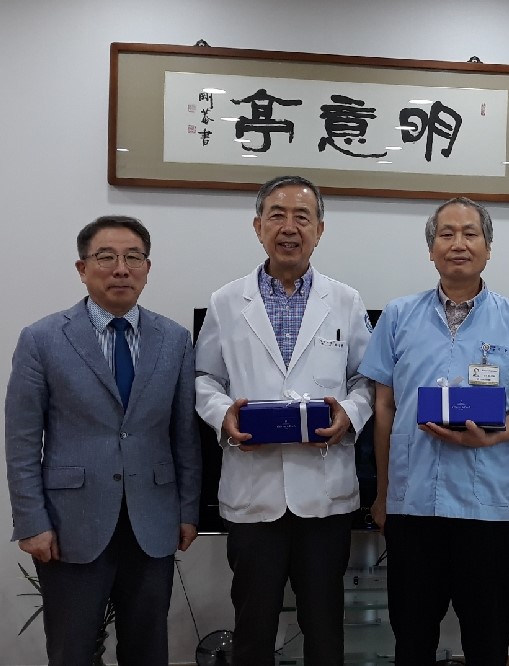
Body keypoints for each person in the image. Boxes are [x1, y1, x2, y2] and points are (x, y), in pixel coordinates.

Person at [358, 197, 509, 666]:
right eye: (446, 234)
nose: (458, 243)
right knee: (412, 639)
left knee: (488, 640)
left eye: (471, 233)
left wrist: (492, 436)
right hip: (413, 505)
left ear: (488, 247)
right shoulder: (398, 315)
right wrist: (383, 493)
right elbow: (384, 406)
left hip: (489, 508)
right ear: (431, 249)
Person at [5, 215, 202, 666]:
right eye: (106, 257)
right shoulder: (42, 339)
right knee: (72, 650)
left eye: (133, 257)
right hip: (70, 523)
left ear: (147, 268)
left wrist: (188, 510)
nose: (121, 269)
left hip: (152, 521)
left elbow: (184, 437)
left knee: (148, 649)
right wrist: (32, 521)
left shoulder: (174, 340)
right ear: (82, 268)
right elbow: (21, 442)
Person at [195, 175, 374, 666]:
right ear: (258, 227)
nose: (289, 227)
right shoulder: (226, 301)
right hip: (254, 493)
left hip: (325, 495)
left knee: (324, 626)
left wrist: (349, 414)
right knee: (253, 627)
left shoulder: (346, 301)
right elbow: (204, 378)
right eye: (277, 215)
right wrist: (224, 415)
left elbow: (367, 380)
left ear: (320, 229)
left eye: (302, 217)